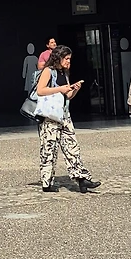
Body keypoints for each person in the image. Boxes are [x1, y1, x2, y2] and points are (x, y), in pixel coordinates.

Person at [34, 45, 100, 193]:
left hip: (64, 115)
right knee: (49, 149)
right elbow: (40, 90)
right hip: (50, 117)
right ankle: (46, 182)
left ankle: (82, 179)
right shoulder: (48, 71)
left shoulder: (65, 73)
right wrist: (60, 89)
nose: (69, 61)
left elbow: (68, 95)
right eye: (66, 58)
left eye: (70, 58)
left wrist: (74, 89)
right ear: (58, 57)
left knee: (72, 147)